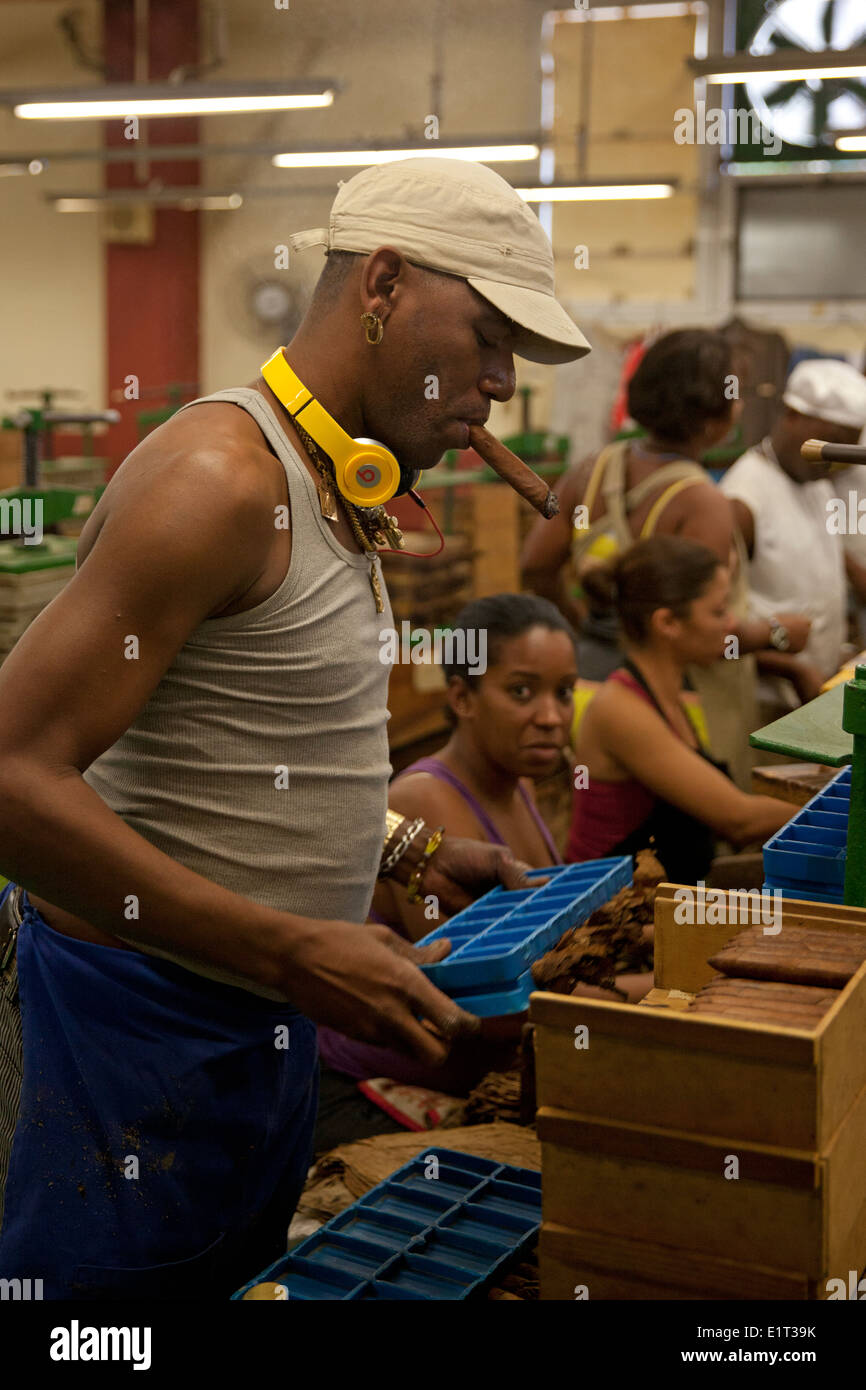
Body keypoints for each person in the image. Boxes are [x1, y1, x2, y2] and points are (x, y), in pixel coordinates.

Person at [0, 157, 592, 1298]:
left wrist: (400, 847)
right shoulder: (219, 482)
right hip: (127, 1041)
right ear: (380, 283)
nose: (504, 385)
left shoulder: (338, 488)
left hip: (258, 1029)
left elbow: (236, 755)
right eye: (487, 337)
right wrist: (289, 947)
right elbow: (13, 775)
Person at [521, 329, 812, 788]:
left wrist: (585, 627)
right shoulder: (701, 503)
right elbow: (704, 632)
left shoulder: (591, 470)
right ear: (714, 417)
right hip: (671, 704)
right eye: (733, 394)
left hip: (590, 685)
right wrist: (779, 634)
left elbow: (535, 565)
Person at [316, 593, 575, 1103]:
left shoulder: (518, 782)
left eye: (564, 692)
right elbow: (485, 1001)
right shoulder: (424, 798)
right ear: (462, 699)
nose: (550, 716)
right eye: (521, 691)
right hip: (396, 1083)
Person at [567, 537, 792, 883]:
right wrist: (847, 811)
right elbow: (739, 820)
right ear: (667, 623)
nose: (731, 623)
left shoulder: (671, 694)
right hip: (612, 918)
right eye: (718, 611)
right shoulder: (620, 710)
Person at [721, 358, 866, 716]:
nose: (837, 460)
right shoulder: (744, 499)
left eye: (847, 450)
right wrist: (793, 669)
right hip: (765, 702)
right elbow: (711, 628)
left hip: (815, 694)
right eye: (832, 443)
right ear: (792, 415)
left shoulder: (816, 483)